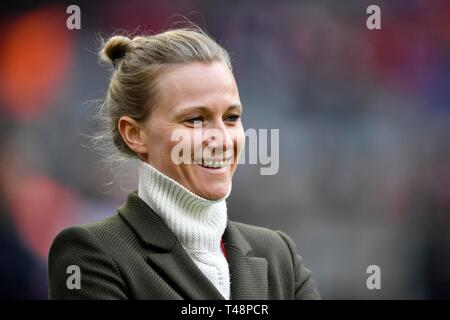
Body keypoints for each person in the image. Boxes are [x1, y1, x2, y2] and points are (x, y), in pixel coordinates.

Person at [48, 26, 320, 300]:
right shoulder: (92, 254)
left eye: (232, 117)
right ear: (134, 134)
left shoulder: (278, 255)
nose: (222, 140)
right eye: (194, 120)